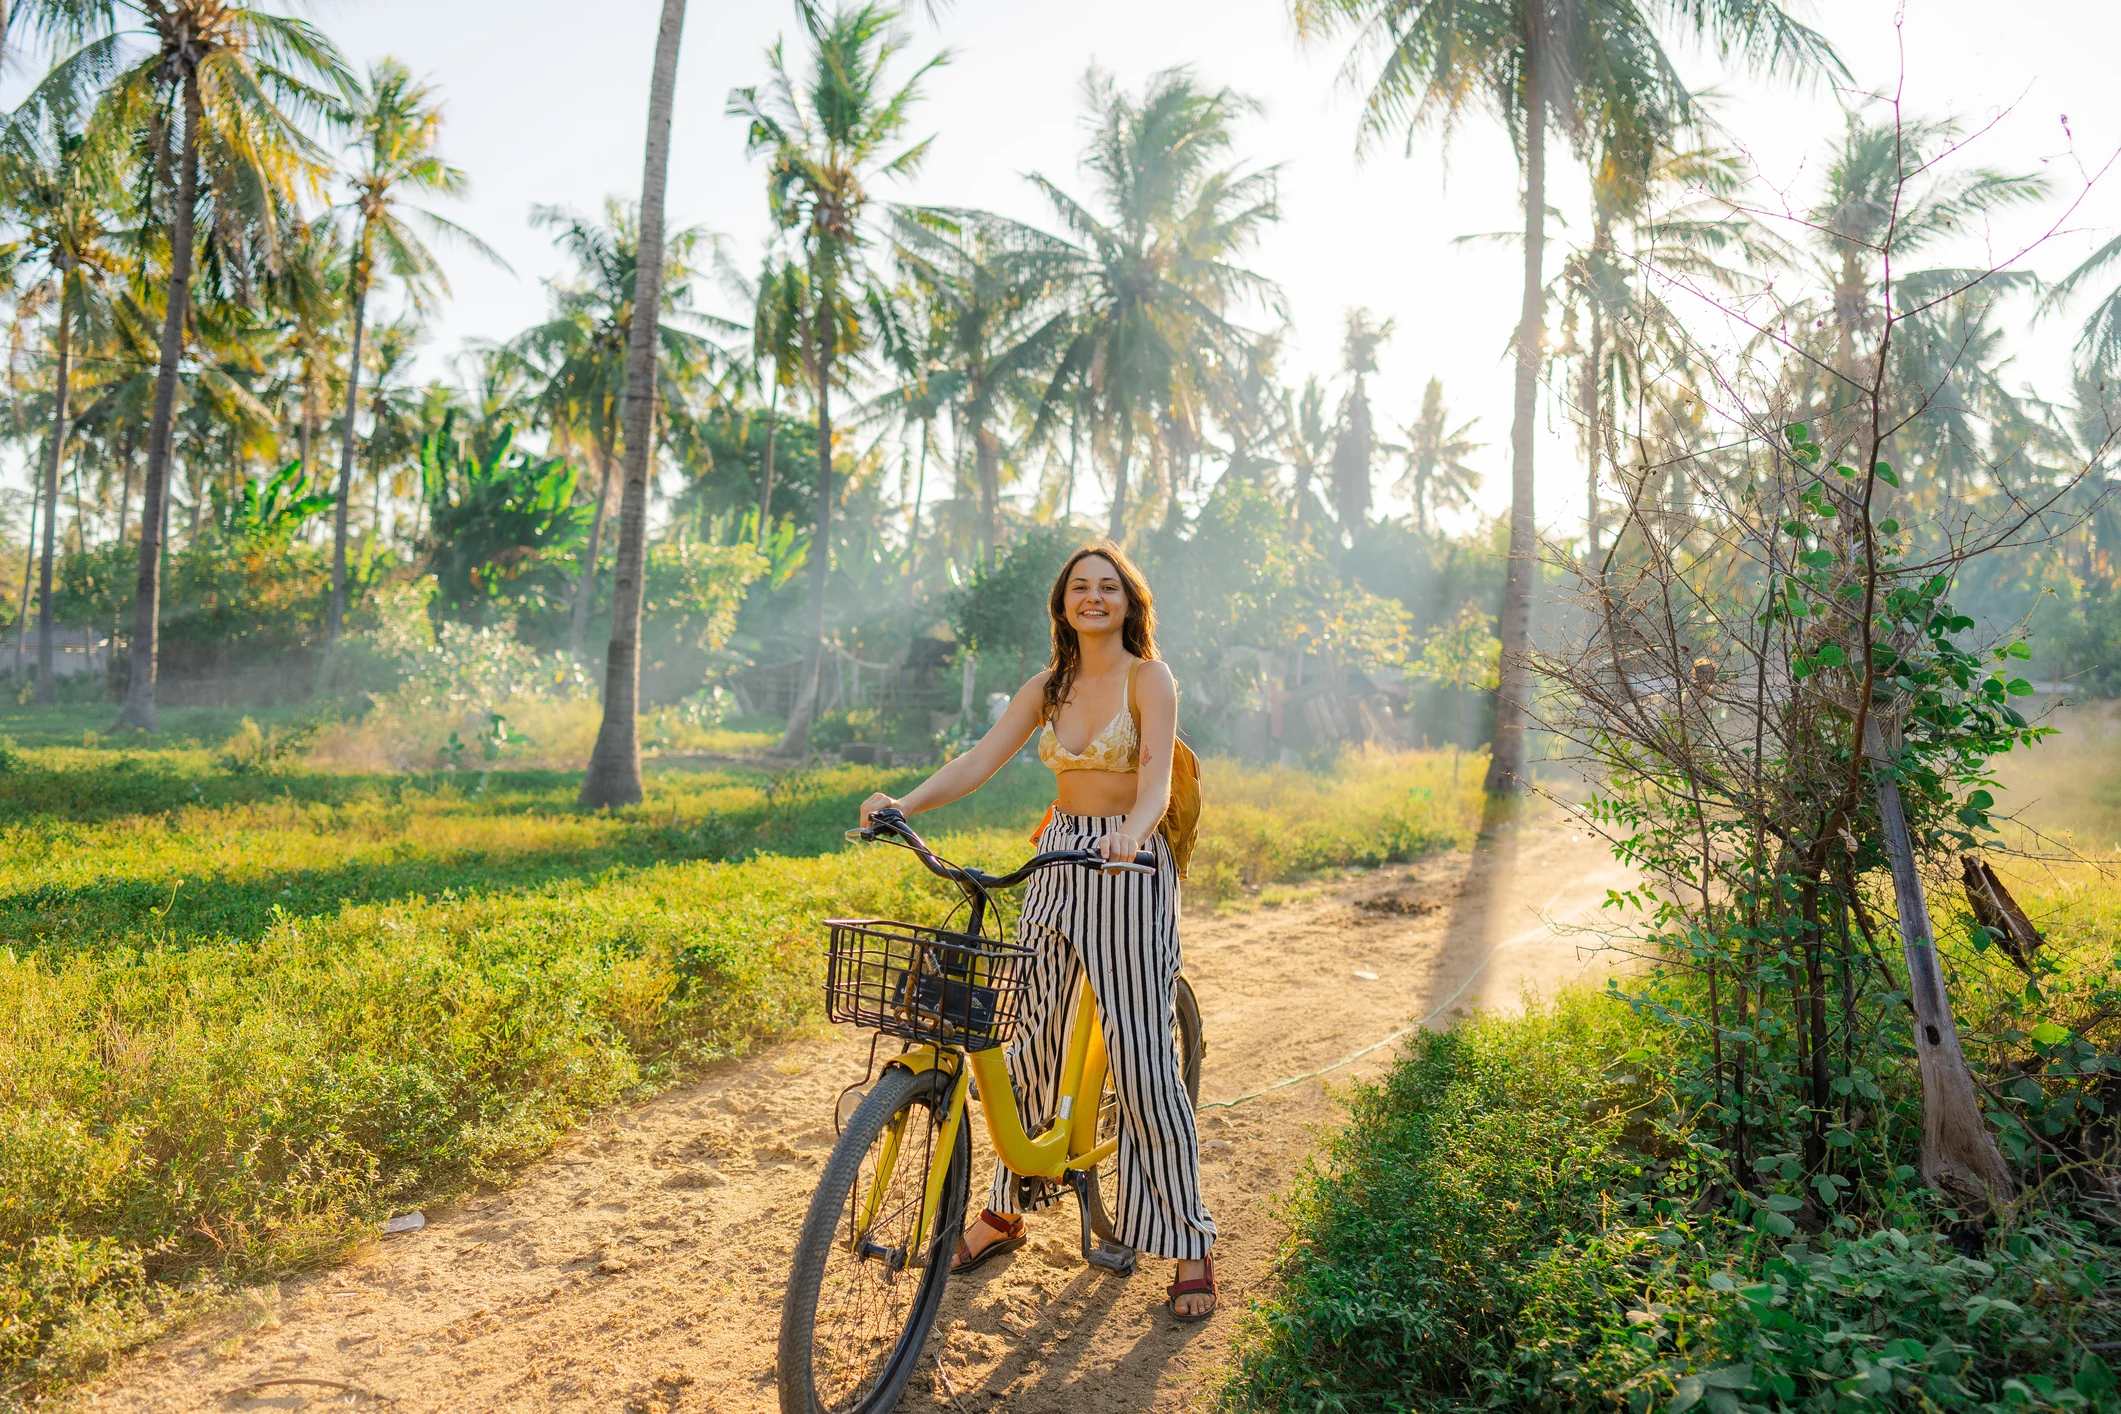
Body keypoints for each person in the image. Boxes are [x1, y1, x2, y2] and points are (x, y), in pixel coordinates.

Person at [857, 541, 1219, 1322]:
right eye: (1079, 588)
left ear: (1128, 602)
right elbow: (979, 761)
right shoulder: (1047, 686)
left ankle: (1190, 1241)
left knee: (1142, 1058)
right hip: (1055, 864)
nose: (1093, 598)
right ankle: (1003, 1208)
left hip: (1128, 868)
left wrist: (1128, 831)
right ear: (1061, 605)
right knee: (1028, 1042)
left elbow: (1154, 777)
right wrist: (904, 806)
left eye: (1107, 587)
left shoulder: (1148, 678)